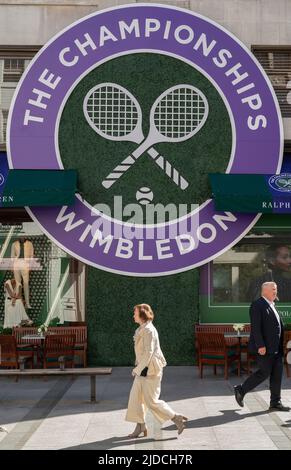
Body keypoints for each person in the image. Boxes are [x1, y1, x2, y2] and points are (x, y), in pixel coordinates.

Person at [125, 304, 188, 438]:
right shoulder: (142, 328)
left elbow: (148, 353)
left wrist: (137, 370)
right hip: (143, 369)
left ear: (142, 315)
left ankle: (176, 418)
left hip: (151, 370)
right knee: (135, 398)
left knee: (151, 401)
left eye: (135, 313)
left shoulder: (149, 330)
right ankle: (140, 426)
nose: (133, 315)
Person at [234, 282, 290, 411]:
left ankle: (275, 402)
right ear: (265, 291)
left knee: (277, 375)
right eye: (273, 289)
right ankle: (241, 390)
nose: (276, 292)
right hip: (265, 348)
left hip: (277, 349)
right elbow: (256, 328)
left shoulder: (272, 305)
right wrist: (260, 345)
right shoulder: (257, 305)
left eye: (276, 289)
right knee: (264, 372)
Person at [11, 237, 34, 308]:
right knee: (18, 283)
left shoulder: (29, 244)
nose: (22, 237)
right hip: (17, 263)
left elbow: (32, 256)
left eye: (23, 236)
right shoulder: (14, 244)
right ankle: (18, 302)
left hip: (25, 263)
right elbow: (12, 256)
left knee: (26, 283)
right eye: (21, 236)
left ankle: (27, 303)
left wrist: (30, 265)